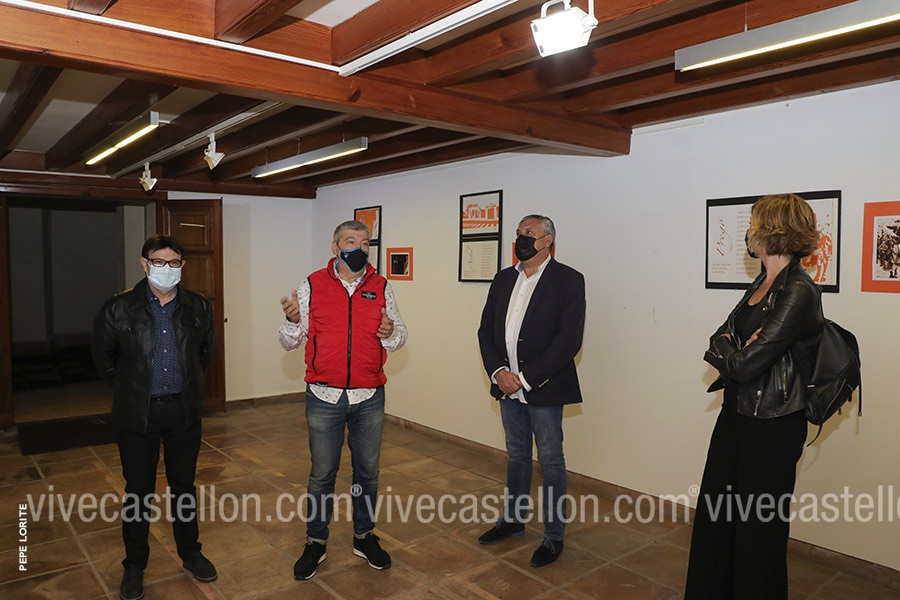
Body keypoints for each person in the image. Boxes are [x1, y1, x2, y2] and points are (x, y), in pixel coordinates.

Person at [685, 194, 824, 599]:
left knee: (758, 529)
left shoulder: (799, 290)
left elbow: (744, 365)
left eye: (753, 224)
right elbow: (718, 339)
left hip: (773, 425)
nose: (748, 232)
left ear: (771, 231)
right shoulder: (762, 282)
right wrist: (735, 350)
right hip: (736, 413)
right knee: (718, 516)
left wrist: (734, 352)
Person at [277, 220, 407, 581]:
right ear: (335, 248)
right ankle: (316, 541)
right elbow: (288, 342)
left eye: (365, 243)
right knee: (322, 474)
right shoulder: (312, 285)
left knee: (367, 473)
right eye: (351, 241)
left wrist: (390, 332)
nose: (359, 249)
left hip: (369, 396)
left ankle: (364, 537)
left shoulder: (381, 286)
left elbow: (399, 337)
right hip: (324, 395)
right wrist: (291, 320)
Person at [92, 234, 217, 600]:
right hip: (137, 415)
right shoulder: (118, 308)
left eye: (173, 262)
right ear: (144, 264)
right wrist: (133, 389)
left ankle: (191, 553)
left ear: (182, 265)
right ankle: (134, 565)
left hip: (183, 411)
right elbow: (104, 360)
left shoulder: (198, 307)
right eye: (158, 262)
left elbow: (205, 353)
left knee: (184, 487)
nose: (166, 268)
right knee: (138, 491)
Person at [476, 214, 586, 567]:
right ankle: (512, 520)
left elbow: (568, 340)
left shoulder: (568, 280)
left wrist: (523, 378)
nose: (521, 238)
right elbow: (485, 331)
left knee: (550, 460)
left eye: (529, 233)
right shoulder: (503, 278)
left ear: (547, 240)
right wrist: (498, 372)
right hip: (505, 385)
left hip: (543, 386)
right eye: (519, 232)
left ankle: (554, 535)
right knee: (517, 455)